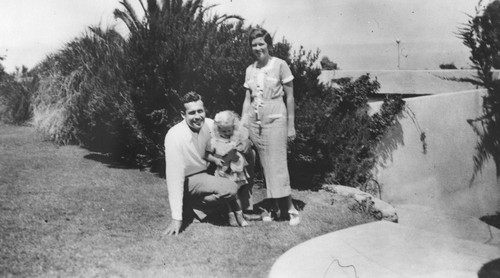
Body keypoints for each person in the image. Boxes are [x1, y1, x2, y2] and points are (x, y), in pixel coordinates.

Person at [241, 27, 300, 226]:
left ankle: (290, 209)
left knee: (278, 164)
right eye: (254, 45)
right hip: (254, 122)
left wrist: (291, 126)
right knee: (264, 165)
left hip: (275, 119)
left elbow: (290, 97)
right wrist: (243, 122)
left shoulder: (280, 65)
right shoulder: (250, 69)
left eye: (261, 44)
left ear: (268, 45)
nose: (258, 48)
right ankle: (274, 208)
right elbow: (247, 98)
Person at [163, 92, 240, 236]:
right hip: (189, 179)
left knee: (237, 176)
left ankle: (195, 208)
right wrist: (176, 218)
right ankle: (193, 209)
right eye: (192, 113)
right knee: (230, 188)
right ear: (183, 114)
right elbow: (174, 178)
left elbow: (231, 134)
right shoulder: (174, 136)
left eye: (200, 111)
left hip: (206, 173)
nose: (197, 117)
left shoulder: (210, 125)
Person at [205, 110, 252, 227]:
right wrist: (215, 160)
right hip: (223, 173)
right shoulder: (214, 141)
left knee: (235, 194)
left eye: (229, 130)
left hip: (235, 172)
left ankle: (239, 216)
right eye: (223, 131)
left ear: (233, 127)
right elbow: (206, 155)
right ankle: (232, 216)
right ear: (217, 129)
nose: (226, 133)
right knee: (230, 195)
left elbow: (243, 146)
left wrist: (241, 147)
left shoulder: (235, 139)